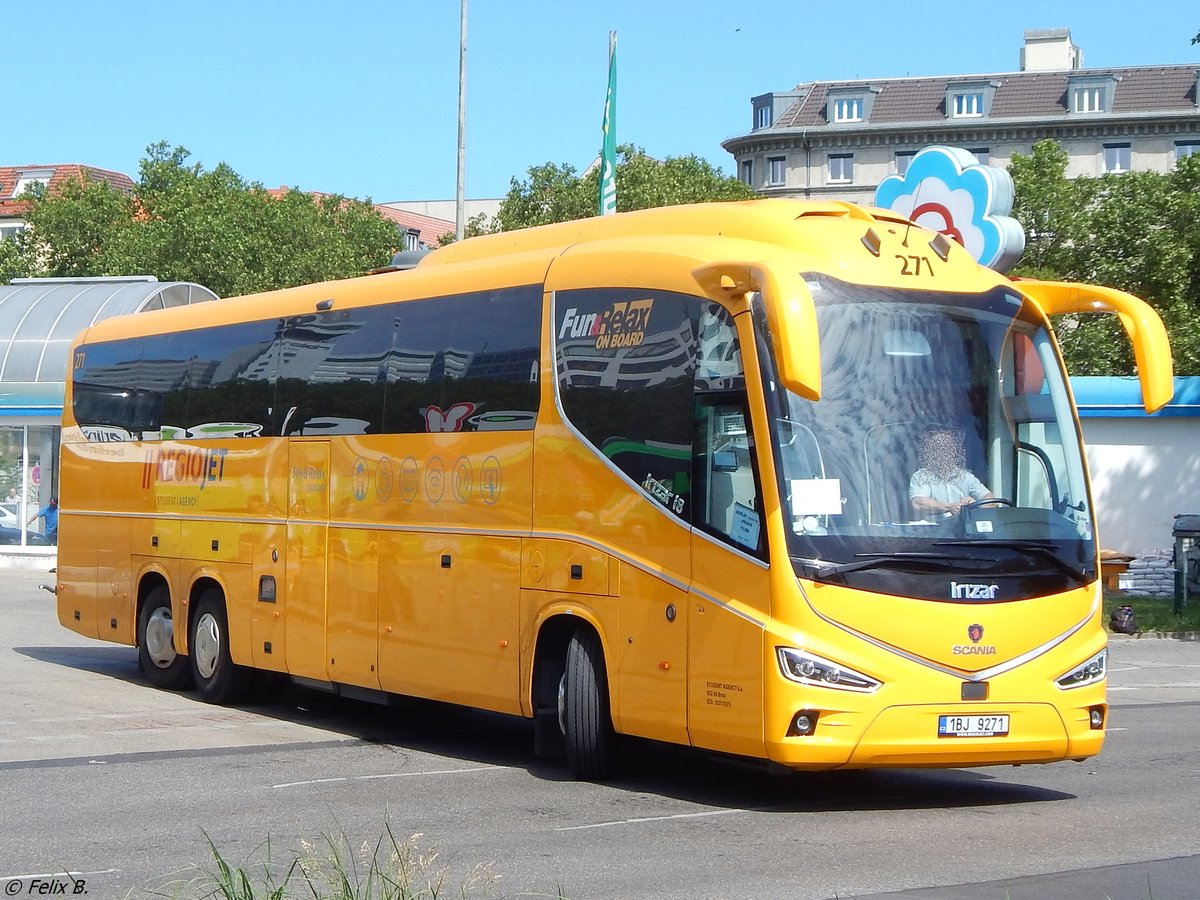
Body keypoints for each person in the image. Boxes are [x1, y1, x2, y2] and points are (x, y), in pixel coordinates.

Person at [909, 429, 992, 516]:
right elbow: (918, 503)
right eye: (938, 448)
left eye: (948, 448)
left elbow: (991, 500)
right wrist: (949, 507)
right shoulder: (921, 476)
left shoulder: (967, 477)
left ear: (955, 452)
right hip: (935, 528)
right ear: (930, 453)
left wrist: (975, 507)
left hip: (965, 528)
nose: (944, 452)